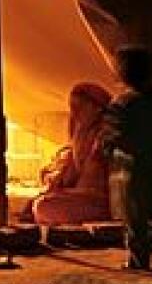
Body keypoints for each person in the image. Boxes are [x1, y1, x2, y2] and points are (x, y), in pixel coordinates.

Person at [100, 45, 152, 270]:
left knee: (135, 218)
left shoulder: (122, 105)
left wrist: (109, 150)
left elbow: (112, 137)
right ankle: (147, 250)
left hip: (131, 171)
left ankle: (138, 258)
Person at [17, 82, 113, 225]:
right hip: (80, 196)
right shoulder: (80, 133)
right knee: (41, 202)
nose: (74, 113)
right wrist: (56, 180)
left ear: (97, 108)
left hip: (102, 201)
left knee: (44, 206)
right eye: (72, 108)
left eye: (79, 108)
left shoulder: (107, 133)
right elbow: (70, 175)